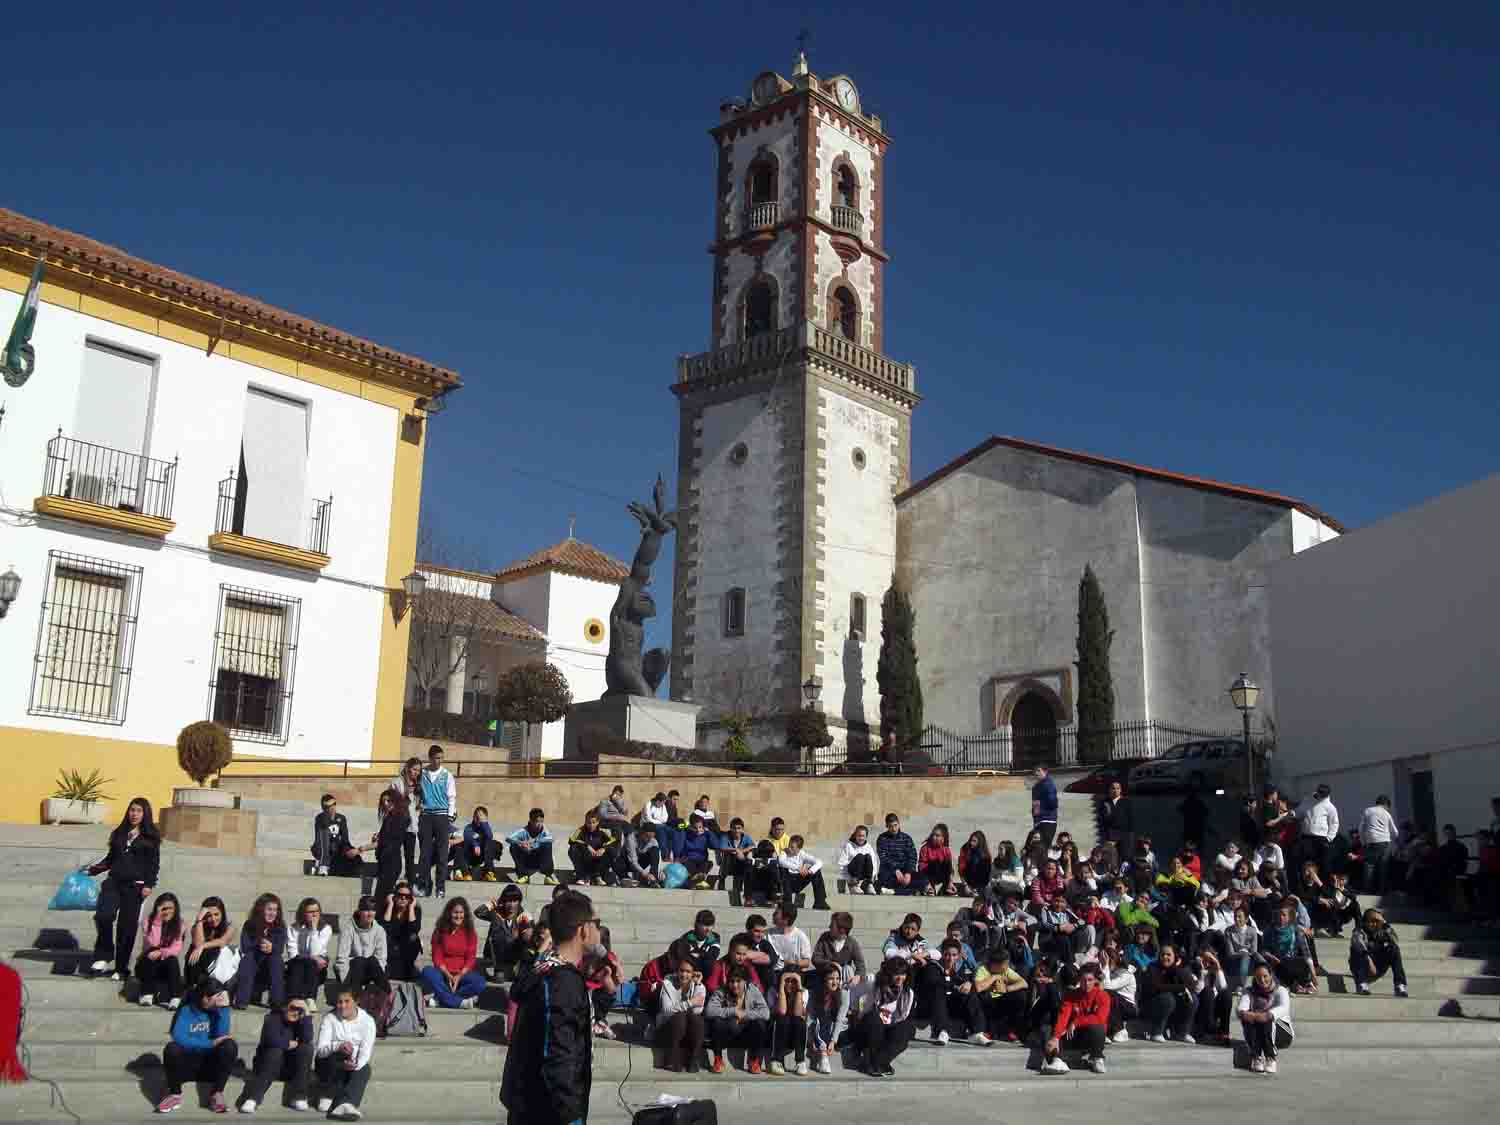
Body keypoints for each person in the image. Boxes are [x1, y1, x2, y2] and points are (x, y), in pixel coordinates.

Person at [502, 890, 597, 1124]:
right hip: (547, 1110)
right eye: (596, 923)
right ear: (583, 930)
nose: (598, 930)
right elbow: (558, 1052)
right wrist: (570, 1114)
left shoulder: (543, 967)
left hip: (527, 1102)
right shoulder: (563, 982)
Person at [87, 797, 160, 980]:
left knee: (126, 927)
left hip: (135, 887)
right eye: (132, 810)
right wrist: (94, 869)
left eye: (138, 811)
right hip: (113, 882)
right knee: (103, 915)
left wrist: (149, 884)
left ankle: (121, 968)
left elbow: (153, 865)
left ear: (145, 814)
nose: (134, 814)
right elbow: (111, 859)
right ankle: (104, 955)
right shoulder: (119, 833)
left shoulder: (150, 838)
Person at [158, 977, 237, 1113]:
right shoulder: (186, 1011)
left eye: (215, 997)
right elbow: (179, 1037)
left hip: (210, 1067)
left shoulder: (220, 1011)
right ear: (202, 995)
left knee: (229, 1046)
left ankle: (217, 1093)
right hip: (188, 1066)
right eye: (210, 997)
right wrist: (210, 1043)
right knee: (172, 1049)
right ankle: (175, 1094)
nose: (211, 1000)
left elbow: (222, 1036)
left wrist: (224, 1009)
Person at [238, 996, 314, 1115]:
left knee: (307, 1049)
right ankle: (253, 1099)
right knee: (275, 1051)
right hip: (267, 1066)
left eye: (300, 1010)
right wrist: (287, 1043)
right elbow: (271, 1040)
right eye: (293, 1008)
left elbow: (307, 1038)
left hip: (287, 1068)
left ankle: (299, 1097)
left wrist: (307, 1015)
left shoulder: (301, 1020)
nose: (296, 1012)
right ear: (284, 1007)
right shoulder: (272, 1018)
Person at [313, 987, 376, 1120]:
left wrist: (355, 1064)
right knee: (339, 1054)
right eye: (339, 1002)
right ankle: (329, 1093)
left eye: (347, 1001)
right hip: (329, 1064)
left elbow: (365, 1052)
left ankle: (346, 1103)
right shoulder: (330, 1018)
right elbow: (320, 1051)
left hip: (350, 1065)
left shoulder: (368, 1021)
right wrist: (338, 1046)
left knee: (365, 1068)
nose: (342, 1006)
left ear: (356, 1002)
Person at [849, 957, 915, 1077]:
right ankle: (877, 1063)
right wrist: (854, 1011)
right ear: (889, 973)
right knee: (874, 1019)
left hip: (889, 1026)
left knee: (907, 1029)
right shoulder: (875, 983)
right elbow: (855, 991)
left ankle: (878, 1062)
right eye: (897, 974)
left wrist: (889, 1022)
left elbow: (902, 1017)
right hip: (868, 1025)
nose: (901, 978)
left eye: (903, 974)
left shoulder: (908, 993)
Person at [1040, 962, 1111, 1074]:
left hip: (1092, 1037)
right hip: (1074, 1035)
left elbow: (1100, 1019)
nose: (1086, 983)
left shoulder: (1103, 996)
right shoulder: (1071, 995)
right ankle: (1058, 1060)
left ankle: (1097, 1058)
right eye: (1083, 980)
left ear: (1096, 980)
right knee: (1053, 1033)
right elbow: (1063, 1016)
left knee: (1098, 1027)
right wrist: (1056, 1037)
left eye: (1090, 980)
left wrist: (1076, 1022)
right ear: (1079, 980)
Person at [919, 939, 990, 1045]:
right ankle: (942, 1032)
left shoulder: (958, 970)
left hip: (950, 1004)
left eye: (954, 955)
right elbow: (934, 983)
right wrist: (956, 987)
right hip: (933, 1004)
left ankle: (977, 1033)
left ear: (958, 956)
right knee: (938, 992)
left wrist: (968, 984)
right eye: (947, 954)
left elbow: (966, 981)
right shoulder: (932, 966)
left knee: (970, 995)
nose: (950, 958)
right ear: (942, 954)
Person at [418, 896, 484, 1009]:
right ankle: (459, 1002)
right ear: (449, 913)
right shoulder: (439, 931)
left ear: (465, 914)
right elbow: (436, 957)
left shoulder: (470, 933)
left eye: (461, 912)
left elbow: (471, 958)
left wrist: (459, 976)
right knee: (427, 972)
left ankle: (441, 999)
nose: (458, 916)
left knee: (480, 982)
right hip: (443, 974)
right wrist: (448, 975)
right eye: (455, 912)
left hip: (462, 975)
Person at [705, 965, 770, 1073]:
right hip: (727, 1032)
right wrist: (733, 1011)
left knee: (760, 1023)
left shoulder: (752, 990)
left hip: (747, 1032)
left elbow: (766, 1013)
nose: (735, 985)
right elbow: (709, 1011)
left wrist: (745, 1014)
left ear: (745, 981)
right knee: (717, 1022)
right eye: (732, 981)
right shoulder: (722, 990)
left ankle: (753, 1060)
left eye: (738, 981)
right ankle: (718, 1059)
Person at [415, 745, 457, 899]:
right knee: (425, 853)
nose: (439, 761)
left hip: (442, 816)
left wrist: (450, 816)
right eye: (436, 758)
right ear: (430, 758)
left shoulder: (447, 775)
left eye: (441, 758)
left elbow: (451, 796)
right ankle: (423, 884)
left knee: (442, 854)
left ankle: (440, 887)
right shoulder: (423, 773)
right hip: (426, 815)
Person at [234, 894, 287, 1010]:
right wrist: (260, 943)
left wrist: (271, 947)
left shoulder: (280, 926)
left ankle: (277, 1001)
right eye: (269, 909)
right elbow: (245, 946)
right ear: (260, 909)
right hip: (254, 962)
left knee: (276, 959)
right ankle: (242, 1000)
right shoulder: (249, 925)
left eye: (275, 910)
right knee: (248, 959)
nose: (272, 913)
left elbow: (280, 948)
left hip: (270, 966)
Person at [1238, 963, 1293, 1074]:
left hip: (1281, 1033)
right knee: (1249, 1019)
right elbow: (1242, 1008)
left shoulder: (1281, 990)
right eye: (1258, 978)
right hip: (1260, 1030)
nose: (1262, 980)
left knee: (1266, 1018)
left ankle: (1270, 1058)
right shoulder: (1249, 991)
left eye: (1265, 976)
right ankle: (1257, 1057)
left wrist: (1264, 1015)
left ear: (1271, 975)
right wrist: (1250, 1015)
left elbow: (1283, 1008)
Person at [655, 955, 706, 1072]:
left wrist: (698, 986)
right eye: (681, 970)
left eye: (688, 971)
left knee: (697, 1020)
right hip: (667, 1029)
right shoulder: (668, 982)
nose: (684, 974)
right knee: (680, 1017)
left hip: (686, 1031)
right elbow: (667, 1010)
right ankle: (671, 1059)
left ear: (694, 973)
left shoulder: (699, 986)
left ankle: (693, 1059)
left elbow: (697, 1011)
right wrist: (689, 1003)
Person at [135, 892, 185, 1009]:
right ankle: (147, 994)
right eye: (164, 908)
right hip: (146, 965)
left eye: (170, 908)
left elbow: (176, 949)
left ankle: (175, 997)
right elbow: (153, 943)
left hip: (165, 966)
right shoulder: (148, 922)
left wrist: (162, 952)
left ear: (175, 909)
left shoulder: (180, 924)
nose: (167, 911)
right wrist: (158, 919)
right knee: (152, 952)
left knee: (172, 959)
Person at [286, 898, 334, 1011]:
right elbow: (292, 954)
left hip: (317, 968)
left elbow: (316, 952)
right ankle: (298, 999)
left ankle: (309, 998)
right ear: (303, 913)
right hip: (298, 964)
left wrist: (313, 930)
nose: (314, 915)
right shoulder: (293, 928)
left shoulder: (326, 929)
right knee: (301, 963)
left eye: (316, 911)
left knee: (311, 963)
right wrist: (312, 957)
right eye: (310, 912)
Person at [475, 884, 530, 982]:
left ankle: (515, 969)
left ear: (519, 902)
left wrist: (523, 933)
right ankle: (499, 969)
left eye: (515, 901)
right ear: (503, 901)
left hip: (513, 954)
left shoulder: (524, 915)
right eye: (508, 901)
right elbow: (478, 912)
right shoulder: (496, 913)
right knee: (499, 935)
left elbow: (529, 937)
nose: (511, 905)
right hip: (496, 953)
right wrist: (496, 903)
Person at [1146, 943, 1198, 1043]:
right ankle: (1156, 1032)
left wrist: (1175, 968)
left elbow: (1192, 985)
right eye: (1162, 954)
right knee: (1168, 998)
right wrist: (1181, 988)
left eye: (1169, 955)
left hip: (1173, 1006)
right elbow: (1158, 987)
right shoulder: (1152, 967)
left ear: (1175, 956)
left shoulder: (1180, 968)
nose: (1165, 957)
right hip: (1153, 1004)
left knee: (1193, 999)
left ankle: (1182, 1033)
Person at [336, 896, 389, 995]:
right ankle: (355, 997)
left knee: (373, 960)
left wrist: (376, 977)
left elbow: (381, 959)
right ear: (359, 911)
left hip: (370, 970)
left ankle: (388, 996)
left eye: (373, 910)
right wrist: (346, 984)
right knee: (359, 960)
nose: (370, 914)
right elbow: (342, 958)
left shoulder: (380, 930)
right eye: (366, 910)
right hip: (351, 972)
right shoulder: (348, 929)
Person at [1350, 908, 1408, 997]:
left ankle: (1399, 985)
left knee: (1393, 948)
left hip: (1378, 966)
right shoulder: (1359, 931)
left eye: (1377, 921)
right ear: (1365, 922)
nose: (1374, 924)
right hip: (1362, 966)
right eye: (1371, 921)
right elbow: (1358, 944)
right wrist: (1369, 961)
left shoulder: (1382, 930)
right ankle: (1361, 984)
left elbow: (1395, 940)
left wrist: (1384, 923)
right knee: (1357, 949)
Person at [184, 897, 236, 997]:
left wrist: (203, 946)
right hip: (197, 967)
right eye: (208, 915)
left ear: (222, 913)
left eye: (216, 914)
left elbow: (222, 942)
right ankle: (194, 986)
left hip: (217, 969)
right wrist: (199, 920)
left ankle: (201, 986)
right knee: (195, 950)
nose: (213, 919)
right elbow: (198, 944)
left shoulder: (230, 926)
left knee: (212, 950)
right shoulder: (198, 926)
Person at [974, 948, 1028, 1041]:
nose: (1007, 966)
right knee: (983, 995)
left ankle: (1011, 1030)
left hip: (1001, 999)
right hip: (987, 1001)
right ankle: (988, 1031)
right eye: (1005, 964)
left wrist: (1006, 989)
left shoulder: (1006, 970)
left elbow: (1024, 983)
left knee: (1021, 995)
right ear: (995, 964)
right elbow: (978, 987)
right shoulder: (982, 969)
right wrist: (994, 977)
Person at [1262, 901, 1314, 993]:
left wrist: (1314, 974)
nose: (1280, 917)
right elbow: (1264, 950)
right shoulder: (1269, 930)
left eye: (1284, 915)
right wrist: (1271, 957)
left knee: (1303, 962)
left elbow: (1306, 952)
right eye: (1279, 914)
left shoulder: (1294, 929)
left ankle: (1300, 984)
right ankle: (1295, 985)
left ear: (1289, 917)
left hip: (1291, 961)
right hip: (1277, 961)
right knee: (1283, 965)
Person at [807, 965, 850, 1074]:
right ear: (824, 979)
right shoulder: (814, 993)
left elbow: (840, 1019)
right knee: (822, 1018)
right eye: (831, 979)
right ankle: (823, 1057)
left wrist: (833, 1041)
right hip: (819, 1026)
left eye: (837, 979)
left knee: (828, 1020)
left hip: (838, 1030)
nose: (835, 982)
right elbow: (811, 1017)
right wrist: (810, 1038)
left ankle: (823, 1056)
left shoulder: (843, 994)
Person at [387, 757, 423, 884]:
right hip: (398, 824)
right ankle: (391, 880)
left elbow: (417, 806)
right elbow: (390, 802)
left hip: (411, 825)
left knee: (410, 857)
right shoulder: (397, 782)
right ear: (408, 768)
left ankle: (411, 884)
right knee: (395, 855)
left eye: (418, 771)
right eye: (414, 769)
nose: (416, 773)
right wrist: (406, 793)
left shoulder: (418, 785)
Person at [1296, 784, 1339, 889]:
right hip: (1306, 837)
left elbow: (1334, 823)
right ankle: (1304, 886)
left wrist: (1329, 838)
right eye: (1320, 794)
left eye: (1324, 795)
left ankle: (1322, 887)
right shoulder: (1308, 800)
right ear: (1317, 792)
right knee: (1304, 863)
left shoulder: (1330, 807)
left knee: (1323, 865)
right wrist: (1294, 814)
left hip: (1321, 839)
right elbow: (1300, 811)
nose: (1322, 796)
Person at [372, 790, 410, 905]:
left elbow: (390, 841)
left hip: (392, 862)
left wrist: (361, 849)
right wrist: (378, 837)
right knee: (381, 896)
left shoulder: (400, 818)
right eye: (383, 801)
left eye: (389, 801)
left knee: (382, 897)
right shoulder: (389, 818)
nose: (386, 804)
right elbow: (383, 839)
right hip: (385, 861)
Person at [812, 911, 867, 989]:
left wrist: (857, 977)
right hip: (825, 978)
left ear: (842, 930)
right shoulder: (824, 937)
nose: (829, 926)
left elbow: (861, 966)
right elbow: (815, 958)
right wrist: (832, 964)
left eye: (832, 925)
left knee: (848, 969)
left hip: (843, 981)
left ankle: (845, 998)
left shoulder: (852, 943)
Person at [768, 970, 809, 1075]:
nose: (790, 984)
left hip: (794, 1035)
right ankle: (776, 1060)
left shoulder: (803, 992)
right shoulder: (773, 991)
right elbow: (781, 1011)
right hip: (776, 1033)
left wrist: (799, 987)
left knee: (800, 1021)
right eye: (787, 981)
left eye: (793, 981)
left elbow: (797, 1013)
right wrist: (781, 986)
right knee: (783, 1018)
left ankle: (800, 1062)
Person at [312, 794, 362, 878]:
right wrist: (327, 818)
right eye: (328, 806)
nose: (332, 808)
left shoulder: (341, 818)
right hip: (323, 847)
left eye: (334, 804)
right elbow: (318, 838)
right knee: (325, 832)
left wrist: (349, 850)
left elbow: (345, 838)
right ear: (323, 808)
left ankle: (357, 872)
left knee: (354, 856)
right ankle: (323, 864)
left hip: (337, 848)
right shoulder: (320, 818)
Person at [1357, 796, 1399, 894]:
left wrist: (1363, 842)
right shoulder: (1386, 814)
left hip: (1371, 842)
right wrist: (1393, 841)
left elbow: (1361, 829)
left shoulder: (1368, 811)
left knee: (1369, 866)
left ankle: (1367, 890)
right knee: (1383, 867)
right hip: (1385, 842)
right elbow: (1395, 832)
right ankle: (1382, 891)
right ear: (1386, 804)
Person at [1099, 937, 1138, 1042]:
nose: (1102, 962)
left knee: (1107, 994)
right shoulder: (1106, 971)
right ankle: (1105, 1032)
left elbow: (1107, 986)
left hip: (1128, 1008)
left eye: (1107, 960)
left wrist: (1105, 966)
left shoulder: (1126, 974)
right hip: (1115, 1005)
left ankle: (1120, 1030)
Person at [567, 809, 619, 886]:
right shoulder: (581, 830)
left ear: (598, 822)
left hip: (598, 861)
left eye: (593, 822)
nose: (591, 825)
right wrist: (587, 846)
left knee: (612, 850)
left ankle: (598, 876)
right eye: (588, 823)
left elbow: (613, 841)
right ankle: (582, 876)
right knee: (573, 848)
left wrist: (604, 848)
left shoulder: (602, 831)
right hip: (586, 860)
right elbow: (572, 840)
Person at [777, 836, 830, 909]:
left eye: (792, 847)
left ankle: (820, 902)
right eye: (789, 846)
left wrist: (810, 871)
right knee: (783, 870)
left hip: (798, 881)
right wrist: (798, 868)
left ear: (799, 849)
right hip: (786, 882)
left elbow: (819, 862)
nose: (789, 848)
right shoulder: (784, 852)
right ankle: (787, 902)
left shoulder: (802, 854)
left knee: (816, 872)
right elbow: (781, 862)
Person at [507, 808, 556, 885]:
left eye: (541, 822)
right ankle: (523, 875)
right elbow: (509, 838)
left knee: (548, 844)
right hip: (526, 858)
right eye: (537, 822)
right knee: (513, 846)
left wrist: (533, 843)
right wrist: (521, 843)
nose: (540, 824)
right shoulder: (523, 830)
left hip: (539, 860)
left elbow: (551, 838)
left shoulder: (544, 831)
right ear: (531, 821)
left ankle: (548, 876)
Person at [875, 814, 918, 895]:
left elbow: (912, 856)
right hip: (889, 872)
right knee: (885, 881)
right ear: (887, 826)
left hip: (905, 871)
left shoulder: (906, 838)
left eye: (895, 825)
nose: (894, 829)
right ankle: (902, 891)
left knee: (921, 880)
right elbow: (883, 858)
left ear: (899, 823)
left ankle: (892, 891)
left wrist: (908, 873)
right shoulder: (882, 838)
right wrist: (896, 870)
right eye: (891, 826)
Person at [454, 806, 497, 882]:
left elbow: (489, 836)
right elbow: (468, 836)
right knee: (459, 845)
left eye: (481, 816)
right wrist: (476, 845)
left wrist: (484, 823)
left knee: (492, 843)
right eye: (476, 816)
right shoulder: (469, 827)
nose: (478, 818)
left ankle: (489, 872)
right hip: (470, 854)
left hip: (482, 855)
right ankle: (465, 873)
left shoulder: (486, 827)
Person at [769, 905, 814, 979]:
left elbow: (807, 962)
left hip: (793, 975)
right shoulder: (767, 934)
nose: (773, 915)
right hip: (773, 974)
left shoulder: (800, 936)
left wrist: (792, 963)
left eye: (776, 913)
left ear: (786, 919)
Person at [716, 817, 756, 894]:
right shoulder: (725, 836)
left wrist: (741, 851)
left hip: (740, 862)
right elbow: (722, 847)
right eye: (734, 828)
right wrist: (736, 850)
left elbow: (753, 846)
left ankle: (740, 887)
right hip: (728, 863)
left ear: (742, 829)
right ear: (731, 829)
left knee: (748, 860)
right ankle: (722, 883)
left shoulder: (745, 837)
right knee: (728, 856)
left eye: (739, 828)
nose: (736, 831)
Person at [836, 825, 879, 896]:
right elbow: (842, 864)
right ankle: (854, 886)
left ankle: (868, 885)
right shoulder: (848, 845)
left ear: (866, 837)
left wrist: (872, 878)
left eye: (863, 836)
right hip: (852, 874)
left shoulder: (869, 847)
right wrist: (846, 880)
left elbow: (874, 864)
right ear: (855, 835)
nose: (861, 838)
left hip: (863, 874)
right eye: (859, 836)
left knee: (868, 856)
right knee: (860, 856)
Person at [617, 823, 662, 888]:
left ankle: (653, 879)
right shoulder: (631, 838)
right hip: (628, 862)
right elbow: (633, 861)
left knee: (655, 850)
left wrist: (659, 872)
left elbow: (656, 859)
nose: (649, 839)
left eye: (651, 837)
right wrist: (645, 874)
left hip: (640, 862)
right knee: (619, 856)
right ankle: (625, 878)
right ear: (641, 832)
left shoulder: (653, 841)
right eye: (647, 836)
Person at [917, 824, 956, 896]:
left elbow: (950, 869)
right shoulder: (925, 848)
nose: (934, 837)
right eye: (933, 835)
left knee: (947, 863)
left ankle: (947, 887)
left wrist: (950, 882)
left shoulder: (946, 849)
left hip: (941, 876)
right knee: (935, 862)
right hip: (928, 875)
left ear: (943, 838)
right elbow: (921, 867)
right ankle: (930, 888)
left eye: (937, 836)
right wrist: (927, 884)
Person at [676, 814, 714, 889]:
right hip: (689, 859)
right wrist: (685, 827)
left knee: (709, 863)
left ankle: (696, 880)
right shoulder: (686, 833)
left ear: (703, 827)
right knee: (689, 865)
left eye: (700, 827)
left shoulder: (706, 835)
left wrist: (709, 833)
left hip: (702, 860)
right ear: (691, 826)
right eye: (695, 827)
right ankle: (698, 881)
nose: (697, 830)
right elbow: (678, 827)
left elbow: (715, 846)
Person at [681, 910, 723, 977]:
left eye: (711, 925)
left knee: (714, 965)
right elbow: (685, 958)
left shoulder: (715, 938)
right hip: (689, 974)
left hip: (705, 974)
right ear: (697, 924)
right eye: (705, 925)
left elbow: (712, 957)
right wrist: (703, 955)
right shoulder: (687, 938)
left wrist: (697, 955)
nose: (708, 929)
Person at [1101, 780, 1134, 860]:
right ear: (1109, 790)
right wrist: (1107, 837)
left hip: (1125, 835)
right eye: (1113, 788)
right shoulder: (1105, 803)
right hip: (1111, 836)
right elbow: (1102, 821)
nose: (1115, 790)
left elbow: (1131, 820)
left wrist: (1128, 836)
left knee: (1125, 858)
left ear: (1120, 790)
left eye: (1117, 788)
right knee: (1111, 859)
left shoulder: (1126, 802)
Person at [1032, 766, 1059, 854]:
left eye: (1039, 771)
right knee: (1038, 848)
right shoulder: (1036, 787)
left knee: (1043, 848)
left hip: (1048, 820)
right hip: (1040, 821)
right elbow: (1035, 806)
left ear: (1046, 771)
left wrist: (1040, 808)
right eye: (1035, 771)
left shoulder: (1049, 784)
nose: (1036, 773)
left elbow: (1053, 803)